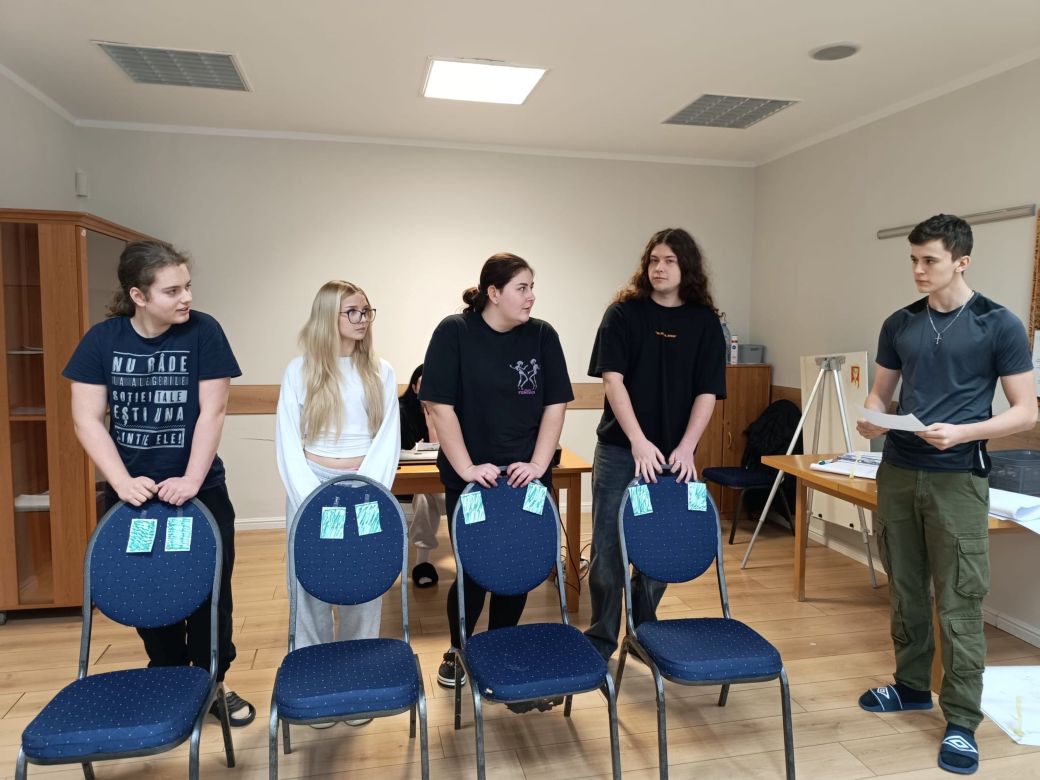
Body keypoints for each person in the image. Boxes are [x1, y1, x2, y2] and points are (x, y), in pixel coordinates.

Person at [855, 214, 1035, 775]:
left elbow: (1026, 413)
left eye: (929, 260)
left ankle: (961, 720)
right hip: (898, 471)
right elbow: (881, 395)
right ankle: (911, 686)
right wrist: (873, 418)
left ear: (961, 261)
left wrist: (963, 433)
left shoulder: (998, 325)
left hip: (958, 476)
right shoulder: (899, 323)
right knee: (905, 588)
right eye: (913, 259)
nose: (918, 269)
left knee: (959, 599)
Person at [63, 239, 255, 727]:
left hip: (201, 493)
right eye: (172, 290)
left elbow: (213, 412)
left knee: (210, 595)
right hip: (134, 499)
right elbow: (87, 419)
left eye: (187, 286)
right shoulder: (102, 341)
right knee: (150, 593)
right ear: (139, 295)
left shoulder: (204, 332)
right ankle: (169, 678)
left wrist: (191, 478)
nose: (186, 297)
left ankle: (212, 683)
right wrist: (122, 481)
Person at [419, 252, 572, 701]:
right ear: (494, 292)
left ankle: (500, 648)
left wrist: (539, 465)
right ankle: (459, 651)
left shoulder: (542, 336)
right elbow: (439, 406)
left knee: (517, 570)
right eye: (522, 288)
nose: (531, 297)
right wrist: (467, 468)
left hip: (525, 480)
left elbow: (555, 404)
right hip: (473, 482)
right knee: (474, 571)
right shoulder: (455, 332)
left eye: (532, 287)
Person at [584, 227, 726, 662]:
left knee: (660, 548)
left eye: (670, 261)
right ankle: (602, 638)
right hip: (621, 450)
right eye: (653, 260)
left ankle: (644, 633)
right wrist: (638, 442)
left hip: (673, 457)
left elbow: (707, 392)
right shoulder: (623, 314)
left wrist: (686, 448)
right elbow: (613, 381)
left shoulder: (705, 323)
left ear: (687, 268)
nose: (659, 268)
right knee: (608, 549)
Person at [275, 280, 399, 728]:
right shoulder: (300, 371)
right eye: (353, 312)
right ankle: (314, 684)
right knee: (308, 586)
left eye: (366, 311)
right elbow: (288, 440)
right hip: (311, 490)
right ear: (329, 317)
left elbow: (387, 439)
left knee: (364, 582)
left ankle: (360, 680)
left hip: (366, 490)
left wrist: (368, 492)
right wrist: (314, 499)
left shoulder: (380, 371)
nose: (362, 319)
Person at [399, 364, 446, 588]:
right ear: (414, 388)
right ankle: (422, 563)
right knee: (424, 496)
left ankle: (471, 559)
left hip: (448, 483)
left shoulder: (450, 410)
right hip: (417, 481)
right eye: (423, 384)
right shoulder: (402, 410)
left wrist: (432, 424)